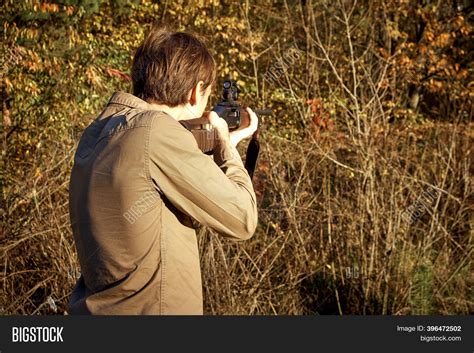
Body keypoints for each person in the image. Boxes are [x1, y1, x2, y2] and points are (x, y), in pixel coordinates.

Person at [68, 25, 258, 314]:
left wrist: (221, 143)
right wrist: (226, 146)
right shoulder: (156, 133)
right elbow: (242, 219)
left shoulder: (99, 132)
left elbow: (150, 185)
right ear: (196, 92)